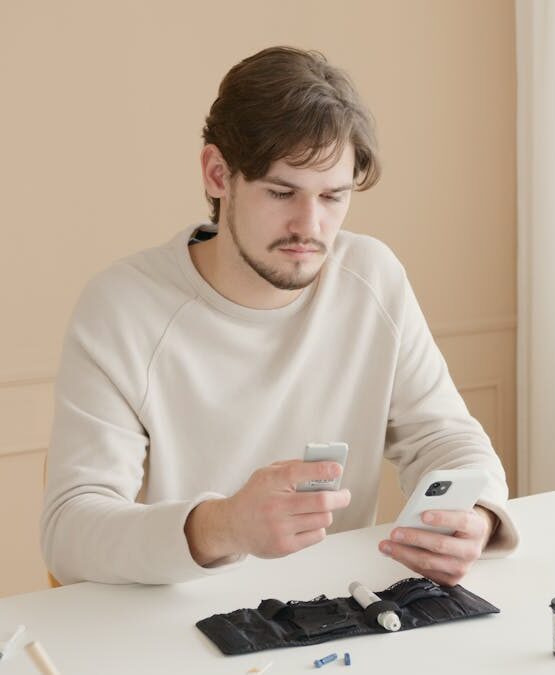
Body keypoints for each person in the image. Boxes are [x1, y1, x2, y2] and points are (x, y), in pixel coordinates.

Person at [40, 46, 517, 586]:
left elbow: (444, 437)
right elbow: (69, 532)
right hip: (171, 625)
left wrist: (472, 513)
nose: (309, 226)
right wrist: (223, 527)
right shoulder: (123, 308)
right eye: (281, 192)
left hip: (339, 612)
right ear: (219, 174)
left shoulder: (372, 276)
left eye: (333, 197)